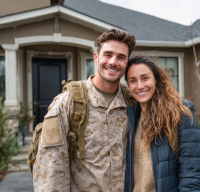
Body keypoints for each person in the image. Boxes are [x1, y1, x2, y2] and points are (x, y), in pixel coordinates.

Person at [32, 29, 136, 191]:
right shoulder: (67, 102)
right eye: (107, 54)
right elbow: (50, 168)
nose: (113, 62)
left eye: (121, 57)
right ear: (96, 57)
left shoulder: (132, 102)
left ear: (127, 63)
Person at [124, 55, 200, 192]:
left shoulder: (181, 115)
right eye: (133, 81)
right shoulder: (129, 117)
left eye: (145, 78)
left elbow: (192, 174)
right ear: (128, 86)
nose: (140, 86)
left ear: (157, 80)